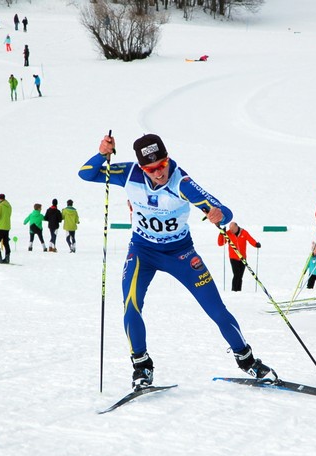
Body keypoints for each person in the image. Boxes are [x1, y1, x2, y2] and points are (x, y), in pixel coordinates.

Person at [79, 132, 276, 389]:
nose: (159, 173)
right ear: (142, 167)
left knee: (216, 309)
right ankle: (142, 367)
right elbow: (86, 173)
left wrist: (219, 214)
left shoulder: (181, 182)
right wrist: (103, 154)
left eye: (162, 165)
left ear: (167, 159)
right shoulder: (128, 174)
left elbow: (223, 211)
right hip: (142, 251)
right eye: (151, 169)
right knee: (130, 306)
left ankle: (247, 360)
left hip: (181, 254)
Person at [217, 222, 260, 292]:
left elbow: (250, 239)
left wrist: (256, 244)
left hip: (243, 257)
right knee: (236, 274)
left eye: (232, 229)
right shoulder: (228, 233)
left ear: (237, 227)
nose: (231, 231)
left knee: (240, 276)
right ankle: (234, 290)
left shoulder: (244, 232)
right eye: (230, 229)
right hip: (233, 257)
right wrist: (221, 234)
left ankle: (239, 290)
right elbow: (220, 243)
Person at [0, 193, 12, 263]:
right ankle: (7, 257)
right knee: (5, 242)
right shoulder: (9, 205)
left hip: (1, 226)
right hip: (7, 226)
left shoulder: (0, 206)